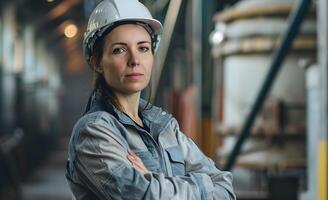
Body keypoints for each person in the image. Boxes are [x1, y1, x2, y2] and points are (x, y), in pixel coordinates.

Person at [65, 0, 236, 199]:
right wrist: (202, 186)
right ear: (97, 63)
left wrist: (152, 179)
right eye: (119, 50)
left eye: (143, 48)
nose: (135, 60)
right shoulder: (94, 133)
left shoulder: (164, 126)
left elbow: (225, 189)